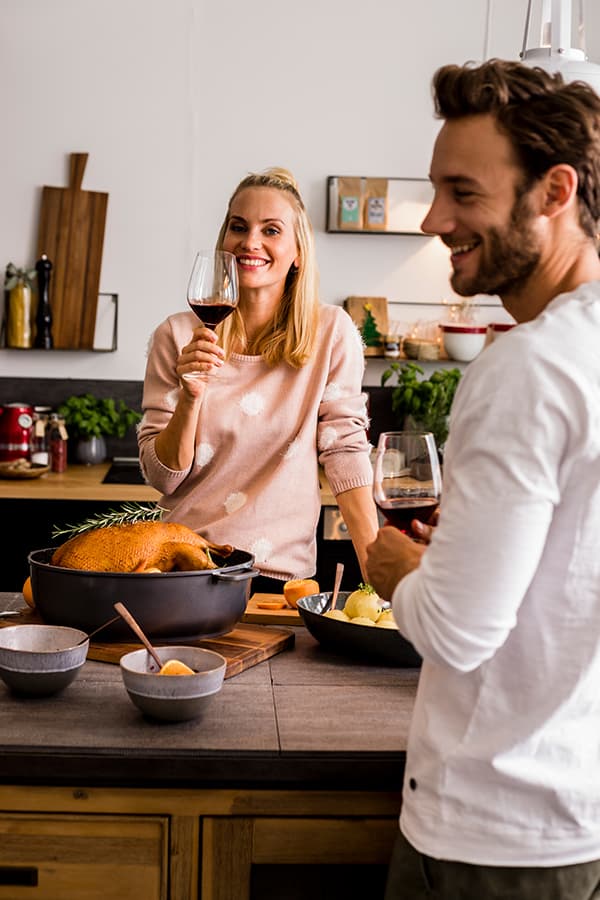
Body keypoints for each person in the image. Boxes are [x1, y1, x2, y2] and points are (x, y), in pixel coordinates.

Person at [366, 59, 600, 899]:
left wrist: (399, 572)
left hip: (489, 837)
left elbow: (457, 634)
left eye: (462, 192)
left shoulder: (527, 368)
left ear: (554, 191)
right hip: (577, 810)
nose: (435, 219)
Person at [138, 167, 378, 592]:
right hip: (185, 569)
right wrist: (191, 397)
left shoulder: (331, 333)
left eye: (271, 230)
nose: (250, 242)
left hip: (280, 577)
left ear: (297, 251)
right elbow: (163, 477)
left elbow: (344, 450)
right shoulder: (175, 336)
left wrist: (378, 573)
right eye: (239, 227)